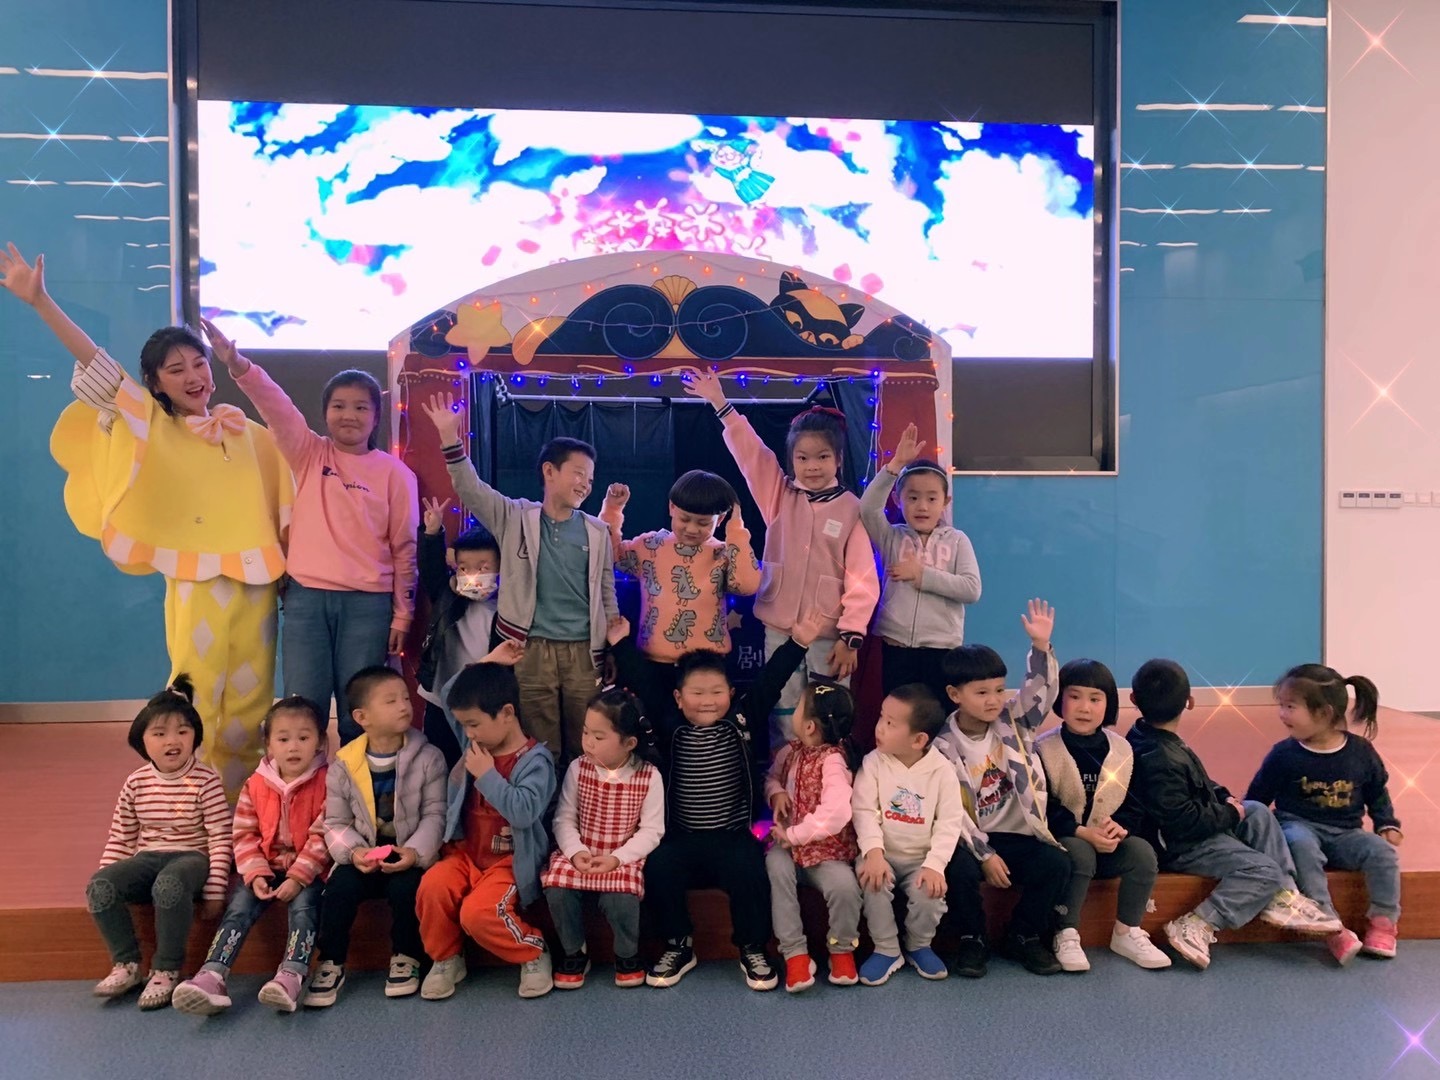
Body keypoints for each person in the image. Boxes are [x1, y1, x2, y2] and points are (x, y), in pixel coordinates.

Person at [2, 243, 291, 795]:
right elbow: (99, 369)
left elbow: (286, 494)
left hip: (256, 579)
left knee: (252, 698)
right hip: (195, 576)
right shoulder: (153, 425)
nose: (193, 375)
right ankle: (188, 802)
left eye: (199, 363)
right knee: (195, 689)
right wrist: (41, 302)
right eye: (176, 369)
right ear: (156, 383)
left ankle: (240, 811)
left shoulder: (246, 432)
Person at [208, 320, 418, 745]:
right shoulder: (309, 453)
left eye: (360, 407)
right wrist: (239, 366)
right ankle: (305, 786)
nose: (349, 415)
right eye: (339, 405)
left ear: (376, 416)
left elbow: (405, 550)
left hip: (368, 606)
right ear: (325, 413)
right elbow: (276, 406)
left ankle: (359, 785)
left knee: (362, 711)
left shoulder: (396, 474)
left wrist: (402, 614)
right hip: (306, 601)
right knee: (302, 708)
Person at [612, 610, 825, 990]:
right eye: (697, 694)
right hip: (680, 836)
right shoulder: (670, 723)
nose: (707, 701)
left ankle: (752, 947)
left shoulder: (741, 720)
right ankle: (678, 944)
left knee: (751, 871)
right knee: (659, 868)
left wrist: (798, 642)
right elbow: (644, 682)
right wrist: (621, 643)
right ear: (678, 698)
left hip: (731, 835)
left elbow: (770, 681)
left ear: (730, 694)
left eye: (716, 692)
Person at [683, 367, 879, 748]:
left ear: (839, 459)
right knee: (783, 706)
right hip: (779, 627)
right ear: (792, 460)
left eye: (822, 456)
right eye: (803, 458)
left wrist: (850, 637)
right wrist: (721, 403)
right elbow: (752, 455)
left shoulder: (852, 509)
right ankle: (784, 770)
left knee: (828, 711)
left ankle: (828, 771)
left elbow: (862, 578)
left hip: (829, 634)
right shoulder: (779, 495)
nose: (812, 466)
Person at [423, 392, 617, 764]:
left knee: (588, 740)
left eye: (591, 478)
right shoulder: (515, 517)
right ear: (549, 471)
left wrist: (609, 645)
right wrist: (449, 436)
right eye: (578, 473)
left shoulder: (596, 530)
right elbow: (471, 490)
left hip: (583, 651)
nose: (585, 484)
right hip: (530, 648)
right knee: (540, 743)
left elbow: (606, 589)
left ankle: (579, 801)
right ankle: (541, 801)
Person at [1126, 658, 1342, 969]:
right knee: (1263, 870)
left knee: (1256, 811)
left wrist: (1223, 796)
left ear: (1133, 699)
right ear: (1189, 702)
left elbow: (1196, 783)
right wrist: (1228, 814)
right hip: (1181, 845)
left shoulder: (1152, 738)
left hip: (1191, 827)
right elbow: (1182, 820)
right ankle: (1197, 923)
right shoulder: (1158, 755)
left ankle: (1284, 896)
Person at [932, 600, 1071, 976]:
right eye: (981, 693)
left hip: (1019, 836)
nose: (993, 700)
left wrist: (1040, 647)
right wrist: (984, 855)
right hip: (970, 840)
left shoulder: (1014, 722)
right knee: (957, 870)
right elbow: (951, 812)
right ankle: (972, 939)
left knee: (1056, 864)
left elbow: (1041, 692)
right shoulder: (942, 747)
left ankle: (1023, 936)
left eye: (998, 689)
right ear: (955, 694)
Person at [417, 644, 559, 1000]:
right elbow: (449, 693)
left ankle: (533, 951)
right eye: (465, 724)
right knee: (432, 888)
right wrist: (487, 663)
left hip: (509, 863)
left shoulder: (536, 760)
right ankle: (447, 959)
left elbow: (524, 812)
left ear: (507, 713)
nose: (468, 732)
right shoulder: (475, 739)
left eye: (474, 724)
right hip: (465, 855)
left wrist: (487, 775)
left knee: (478, 914)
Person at [172, 696, 331, 1015]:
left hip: (310, 871)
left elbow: (324, 834)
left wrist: (298, 877)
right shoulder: (256, 784)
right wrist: (256, 873)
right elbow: (244, 834)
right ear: (268, 745)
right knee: (239, 907)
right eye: (283, 739)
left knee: (304, 909)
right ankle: (213, 975)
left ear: (320, 742)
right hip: (265, 868)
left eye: (303, 738)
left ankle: (291, 975)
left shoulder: (329, 781)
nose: (293, 747)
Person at [303, 666, 447, 1007]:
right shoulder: (344, 765)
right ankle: (331, 960)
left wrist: (414, 853)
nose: (404, 706)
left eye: (405, 698)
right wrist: (354, 853)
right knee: (339, 889)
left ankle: (407, 956)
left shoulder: (429, 757)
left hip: (408, 851)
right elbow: (335, 822)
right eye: (390, 701)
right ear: (361, 717)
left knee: (407, 889)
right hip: (364, 854)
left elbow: (435, 815)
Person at [86, 678, 232, 1010]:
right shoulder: (135, 782)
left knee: (169, 883)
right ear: (142, 741)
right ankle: (126, 965)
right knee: (100, 885)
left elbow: (220, 836)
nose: (172, 740)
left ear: (195, 736)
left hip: (191, 857)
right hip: (147, 857)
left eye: (183, 731)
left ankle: (166, 968)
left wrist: (215, 889)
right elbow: (122, 836)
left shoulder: (206, 780)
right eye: (160, 733)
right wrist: (113, 877)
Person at [1246, 663, 1402, 963]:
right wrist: (1244, 825)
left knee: (1383, 853)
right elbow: (1258, 797)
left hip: (1346, 833)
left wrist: (1386, 823)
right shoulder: (1284, 754)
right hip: (1298, 825)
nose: (1282, 714)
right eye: (1281, 705)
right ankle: (1328, 924)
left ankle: (1383, 923)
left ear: (1324, 713)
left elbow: (1376, 791)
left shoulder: (1360, 752)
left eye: (1290, 706)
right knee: (1300, 844)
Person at [1033, 659, 1171, 971]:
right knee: (1080, 851)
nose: (1085, 707)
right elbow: (1042, 806)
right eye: (1074, 696)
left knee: (1142, 852)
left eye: (1095, 699)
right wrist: (1082, 832)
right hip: (1066, 844)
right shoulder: (1043, 749)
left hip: (1108, 846)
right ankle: (1065, 931)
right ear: (1060, 699)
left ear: (1108, 704)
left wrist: (1120, 828)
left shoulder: (1123, 750)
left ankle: (1126, 931)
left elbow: (1135, 803)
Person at [600, 470, 760, 724]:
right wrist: (613, 509)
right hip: (653, 664)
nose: (692, 529)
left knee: (702, 733)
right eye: (685, 519)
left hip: (708, 666)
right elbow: (608, 554)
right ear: (671, 508)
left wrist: (736, 532)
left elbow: (747, 585)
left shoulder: (722, 553)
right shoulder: (651, 545)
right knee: (655, 730)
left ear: (719, 520)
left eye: (703, 522)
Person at [542, 686, 665, 990]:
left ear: (629, 743)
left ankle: (627, 954)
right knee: (557, 890)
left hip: (622, 856)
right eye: (586, 732)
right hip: (580, 850)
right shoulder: (578, 768)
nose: (588, 743)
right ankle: (574, 951)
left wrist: (617, 858)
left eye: (598, 737)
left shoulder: (649, 776)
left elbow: (652, 830)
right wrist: (575, 852)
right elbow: (564, 818)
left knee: (622, 898)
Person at [851, 684, 968, 985]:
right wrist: (873, 853)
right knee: (872, 882)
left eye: (891, 723)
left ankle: (919, 945)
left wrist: (935, 865)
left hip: (921, 859)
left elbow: (950, 821)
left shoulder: (941, 771)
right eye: (881, 717)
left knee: (930, 895)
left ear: (918, 740)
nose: (879, 727)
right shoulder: (873, 762)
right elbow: (863, 810)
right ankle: (887, 948)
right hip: (882, 855)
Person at [859, 422, 980, 707]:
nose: (922, 506)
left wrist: (921, 575)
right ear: (898, 499)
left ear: (945, 501)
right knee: (900, 713)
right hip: (897, 647)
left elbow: (971, 589)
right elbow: (867, 508)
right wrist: (895, 466)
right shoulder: (891, 536)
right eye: (912, 498)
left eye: (931, 498)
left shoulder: (958, 540)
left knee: (938, 714)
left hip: (943, 649)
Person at [765, 681, 863, 992]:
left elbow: (836, 812)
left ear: (808, 726)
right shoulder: (790, 752)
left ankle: (841, 948)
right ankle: (794, 952)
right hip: (787, 848)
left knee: (844, 888)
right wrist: (776, 792)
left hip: (825, 851)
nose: (793, 712)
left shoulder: (834, 761)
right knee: (776, 867)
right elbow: (771, 777)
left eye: (797, 707)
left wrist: (795, 835)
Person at [416, 496, 501, 769]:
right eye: (464, 568)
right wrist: (432, 533)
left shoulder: (508, 607)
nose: (473, 575)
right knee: (441, 759)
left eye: (483, 568)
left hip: (482, 700)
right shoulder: (448, 594)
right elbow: (430, 570)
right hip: (441, 697)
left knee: (478, 762)